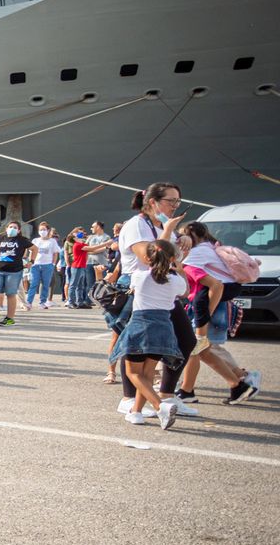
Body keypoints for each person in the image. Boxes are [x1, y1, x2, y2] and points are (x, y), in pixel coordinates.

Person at [109, 183, 199, 421]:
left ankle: (167, 394)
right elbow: (148, 257)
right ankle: (129, 399)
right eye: (171, 201)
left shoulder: (162, 225)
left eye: (178, 202)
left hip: (164, 286)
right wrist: (168, 233)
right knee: (134, 347)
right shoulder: (136, 225)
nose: (175, 207)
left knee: (185, 340)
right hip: (140, 289)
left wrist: (185, 242)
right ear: (152, 203)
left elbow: (173, 258)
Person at [177, 221, 259, 406]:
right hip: (218, 298)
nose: (180, 241)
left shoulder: (196, 253)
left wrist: (206, 314)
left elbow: (214, 284)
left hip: (213, 301)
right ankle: (188, 390)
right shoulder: (211, 248)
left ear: (192, 237)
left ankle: (239, 382)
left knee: (199, 347)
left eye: (182, 237)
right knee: (198, 348)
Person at [117, 240, 185, 429]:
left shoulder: (140, 276)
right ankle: (136, 413)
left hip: (141, 325)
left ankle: (159, 405)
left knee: (133, 372)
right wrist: (179, 269)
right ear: (172, 259)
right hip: (163, 327)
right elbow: (184, 291)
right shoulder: (176, 280)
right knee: (147, 374)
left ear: (148, 258)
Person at [0, 221, 33, 326]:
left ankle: (10, 318)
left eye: (15, 227)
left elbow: (34, 249)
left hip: (14, 271)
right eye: (10, 227)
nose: (12, 229)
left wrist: (31, 261)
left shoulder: (22, 240)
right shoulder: (2, 238)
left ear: (19, 230)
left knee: (10, 294)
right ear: (6, 228)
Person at [24, 222, 62, 310]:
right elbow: (31, 252)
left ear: (48, 230)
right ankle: (29, 302)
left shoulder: (52, 241)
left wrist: (53, 264)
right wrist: (30, 262)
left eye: (44, 229)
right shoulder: (35, 241)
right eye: (41, 230)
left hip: (47, 265)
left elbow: (55, 253)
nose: (42, 231)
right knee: (34, 283)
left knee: (46, 284)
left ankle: (42, 302)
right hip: (36, 265)